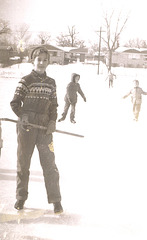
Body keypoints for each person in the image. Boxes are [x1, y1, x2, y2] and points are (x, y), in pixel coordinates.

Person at [10, 46, 63, 214]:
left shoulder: (51, 83)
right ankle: (20, 197)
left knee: (50, 164)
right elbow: (15, 103)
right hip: (27, 126)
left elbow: (54, 105)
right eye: (39, 60)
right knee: (23, 163)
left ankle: (56, 200)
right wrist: (23, 117)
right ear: (33, 61)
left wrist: (53, 121)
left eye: (45, 60)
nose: (42, 63)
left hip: (44, 127)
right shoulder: (25, 81)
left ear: (48, 62)